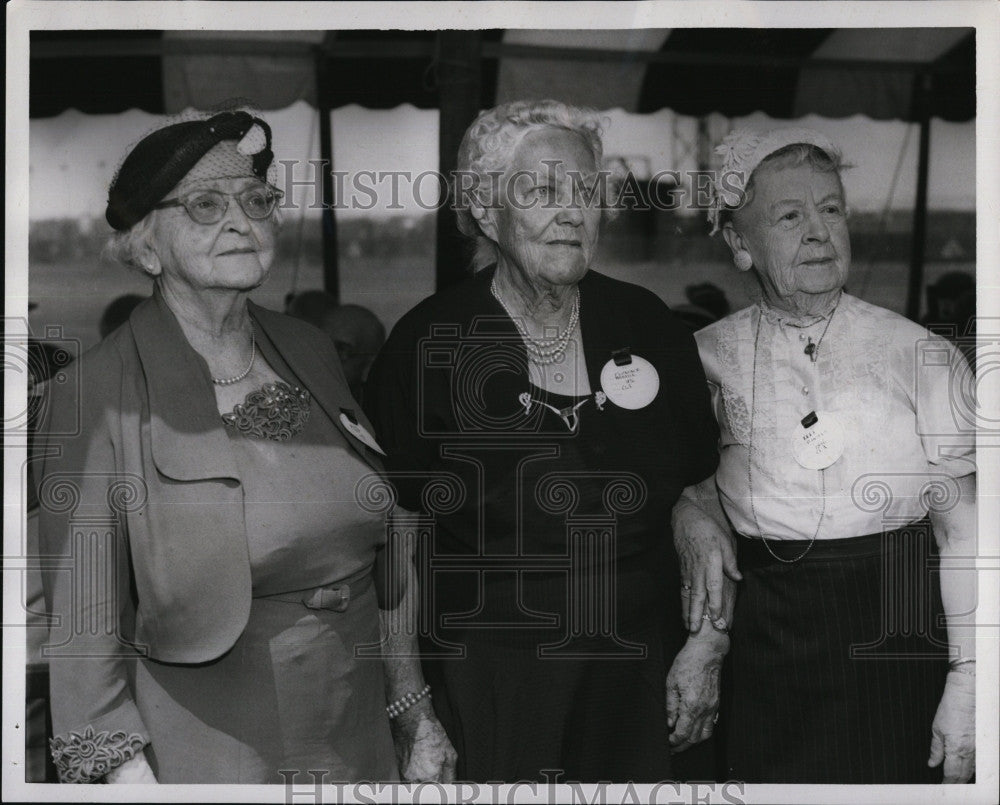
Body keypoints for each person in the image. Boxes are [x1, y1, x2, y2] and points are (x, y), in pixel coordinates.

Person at [34, 109, 455, 784]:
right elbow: (83, 630)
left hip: (355, 729)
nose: (240, 221)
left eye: (257, 200)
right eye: (205, 204)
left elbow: (390, 534)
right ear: (145, 247)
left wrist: (411, 709)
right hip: (211, 748)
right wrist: (120, 777)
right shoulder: (94, 395)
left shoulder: (312, 348)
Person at [364, 100, 726, 782]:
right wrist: (409, 700)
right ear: (483, 205)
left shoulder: (646, 324)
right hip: (494, 675)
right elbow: (396, 536)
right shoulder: (428, 343)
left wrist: (707, 640)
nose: (572, 211)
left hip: (643, 669)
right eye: (542, 190)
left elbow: (697, 489)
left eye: (587, 191)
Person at [680, 127, 976, 784]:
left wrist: (971, 678)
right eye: (790, 216)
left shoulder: (921, 352)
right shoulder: (704, 358)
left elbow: (968, 527)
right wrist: (691, 510)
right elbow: (685, 481)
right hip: (772, 647)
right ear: (739, 245)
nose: (819, 232)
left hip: (904, 637)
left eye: (832, 209)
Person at [287, 291, 387, 403]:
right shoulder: (295, 400)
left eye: (341, 350)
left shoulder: (383, 413)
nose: (324, 357)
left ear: (369, 367)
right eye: (319, 345)